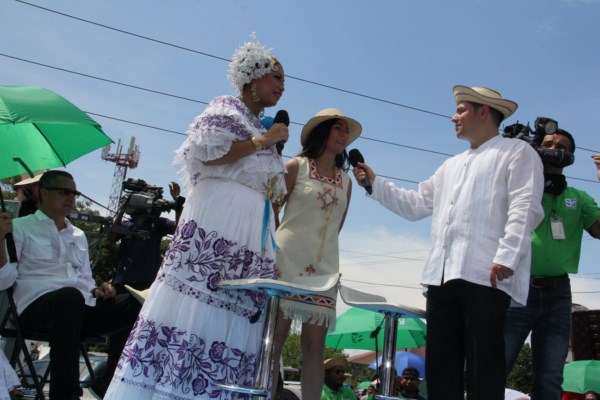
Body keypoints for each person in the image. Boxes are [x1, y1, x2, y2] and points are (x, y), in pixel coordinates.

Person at [104, 35, 288, 399]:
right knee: (200, 300)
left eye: (284, 81)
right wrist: (262, 142)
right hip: (219, 221)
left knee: (236, 309)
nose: (282, 86)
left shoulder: (260, 127)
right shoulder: (227, 109)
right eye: (277, 77)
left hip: (250, 233)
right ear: (253, 78)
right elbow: (206, 153)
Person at [352, 86, 544, 400]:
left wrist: (508, 254)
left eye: (461, 110)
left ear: (484, 112)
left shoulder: (517, 152)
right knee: (441, 364)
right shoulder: (450, 166)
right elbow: (415, 204)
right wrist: (375, 184)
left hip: (487, 273)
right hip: (441, 277)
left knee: (484, 363)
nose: (454, 117)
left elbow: (526, 206)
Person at [0, 170, 141, 400]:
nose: (71, 198)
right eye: (65, 192)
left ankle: (109, 385)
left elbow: (85, 280)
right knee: (68, 298)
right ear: (44, 193)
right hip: (35, 308)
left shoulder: (78, 234)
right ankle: (65, 396)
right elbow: (3, 280)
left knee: (136, 303)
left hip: (76, 309)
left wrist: (97, 289)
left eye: (75, 193)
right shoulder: (19, 227)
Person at [270, 108, 362, 400]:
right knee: (274, 341)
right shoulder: (295, 166)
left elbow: (338, 226)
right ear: (321, 132)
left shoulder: (347, 181)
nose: (343, 135)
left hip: (324, 268)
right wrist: (274, 248)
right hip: (286, 261)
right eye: (338, 128)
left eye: (346, 130)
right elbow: (271, 209)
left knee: (314, 346)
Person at [504, 129, 600, 400]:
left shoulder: (579, 198)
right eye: (548, 143)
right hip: (517, 288)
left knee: (550, 377)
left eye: (562, 146)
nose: (555, 148)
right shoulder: (519, 190)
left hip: (558, 294)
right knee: (496, 365)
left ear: (570, 157)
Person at [107, 181, 184, 292]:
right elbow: (111, 238)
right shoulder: (126, 225)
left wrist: (177, 203)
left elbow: (179, 230)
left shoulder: (158, 224)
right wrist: (122, 209)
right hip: (124, 279)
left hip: (148, 280)